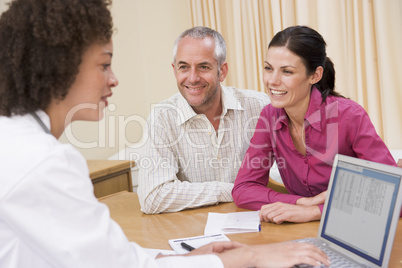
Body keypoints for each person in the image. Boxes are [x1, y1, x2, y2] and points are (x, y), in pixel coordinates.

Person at [0, 1, 331, 267]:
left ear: (221, 70)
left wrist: (179, 258)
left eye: (203, 66)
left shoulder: (22, 146)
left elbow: (114, 259)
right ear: (60, 67)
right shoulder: (42, 163)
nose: (114, 79)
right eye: (104, 65)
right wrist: (247, 257)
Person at [232, 25, 398, 224]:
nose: (272, 81)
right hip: (301, 233)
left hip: (357, 227)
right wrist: (301, 202)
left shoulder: (348, 115)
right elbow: (243, 189)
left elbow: (393, 194)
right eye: (268, 68)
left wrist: (316, 211)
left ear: (315, 75)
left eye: (287, 71)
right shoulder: (269, 116)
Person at [137, 26, 271, 214]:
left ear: (222, 71)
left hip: (258, 224)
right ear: (175, 70)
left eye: (203, 67)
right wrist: (236, 190)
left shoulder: (260, 106)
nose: (192, 78)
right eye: (184, 67)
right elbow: (153, 196)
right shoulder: (162, 117)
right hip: (194, 231)